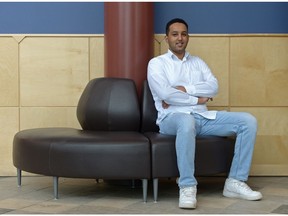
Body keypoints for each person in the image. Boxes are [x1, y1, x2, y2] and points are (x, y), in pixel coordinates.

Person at [147, 18, 262, 209]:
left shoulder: (198, 63)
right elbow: (165, 93)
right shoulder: (157, 64)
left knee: (248, 121)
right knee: (186, 121)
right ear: (166, 38)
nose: (180, 38)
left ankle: (235, 182)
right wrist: (196, 98)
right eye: (175, 34)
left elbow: (213, 87)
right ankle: (187, 186)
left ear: (188, 37)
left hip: (202, 118)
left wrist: (184, 88)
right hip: (171, 119)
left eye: (183, 34)